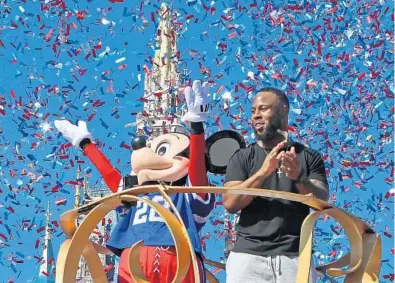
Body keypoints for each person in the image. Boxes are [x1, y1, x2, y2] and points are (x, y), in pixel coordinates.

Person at [223, 87, 329, 283]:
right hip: (247, 257)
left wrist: (299, 177)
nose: (256, 116)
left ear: (283, 111)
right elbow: (230, 203)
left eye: (263, 109)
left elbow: (321, 201)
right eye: (253, 110)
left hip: (295, 258)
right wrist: (263, 172)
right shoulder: (242, 157)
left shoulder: (308, 156)